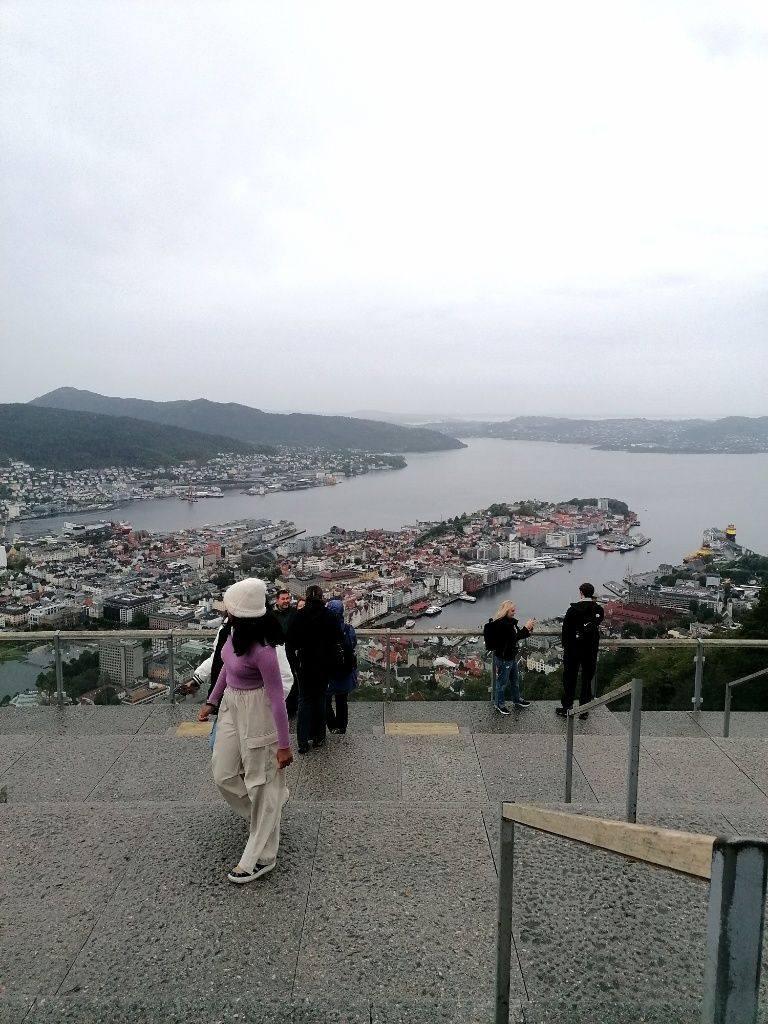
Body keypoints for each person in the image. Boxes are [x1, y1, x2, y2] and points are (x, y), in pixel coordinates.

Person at [197, 578, 293, 884]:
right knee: (223, 773)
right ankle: (267, 812)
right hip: (230, 706)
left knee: (259, 780)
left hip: (257, 710)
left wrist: (283, 744)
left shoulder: (264, 649)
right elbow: (226, 665)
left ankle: (260, 857)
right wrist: (212, 701)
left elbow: (277, 697)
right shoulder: (234, 632)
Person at [184, 613, 293, 750]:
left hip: (254, 709)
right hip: (228, 702)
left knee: (248, 756)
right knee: (218, 748)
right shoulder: (227, 628)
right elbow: (222, 660)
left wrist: (265, 707)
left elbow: (284, 678)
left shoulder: (264, 636)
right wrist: (199, 680)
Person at [286, 584, 343, 754]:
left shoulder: (299, 615)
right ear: (320, 596)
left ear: (307, 596)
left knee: (304, 700)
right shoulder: (329, 615)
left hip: (304, 663)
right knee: (320, 699)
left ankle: (302, 740)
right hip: (324, 664)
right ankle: (319, 736)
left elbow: (290, 641)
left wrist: (295, 662)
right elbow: (337, 638)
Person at [557, 582, 605, 721]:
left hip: (573, 648)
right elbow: (596, 624)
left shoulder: (572, 610)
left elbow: (565, 631)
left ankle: (567, 707)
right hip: (590, 649)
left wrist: (566, 647)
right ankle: (584, 709)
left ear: (581, 593)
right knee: (587, 679)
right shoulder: (598, 610)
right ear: (592, 593)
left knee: (570, 678)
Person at [485, 600, 535, 715]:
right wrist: (526, 627)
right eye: (512, 610)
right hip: (504, 658)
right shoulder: (503, 624)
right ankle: (500, 704)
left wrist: (528, 629)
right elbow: (514, 638)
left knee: (515, 680)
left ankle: (517, 700)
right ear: (506, 611)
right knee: (502, 683)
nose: (515, 612)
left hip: (510, 656)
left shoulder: (509, 622)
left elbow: (516, 637)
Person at [325, 598, 357, 734]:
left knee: (326, 701)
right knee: (342, 701)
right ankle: (342, 728)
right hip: (344, 670)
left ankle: (332, 726)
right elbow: (353, 645)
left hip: (328, 671)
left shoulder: (323, 629)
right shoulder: (348, 629)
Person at [272, 589, 298, 718]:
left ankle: (291, 708)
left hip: (290, 652)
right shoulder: (271, 615)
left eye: (288, 598)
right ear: (277, 600)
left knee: (291, 679)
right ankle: (278, 706)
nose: (286, 601)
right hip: (275, 653)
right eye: (283, 599)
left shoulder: (294, 613)